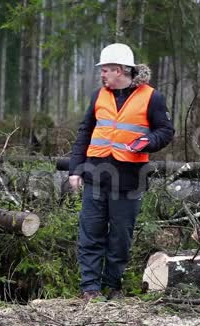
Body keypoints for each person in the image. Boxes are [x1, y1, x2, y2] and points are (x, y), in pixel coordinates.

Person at [68, 43, 174, 301]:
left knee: (120, 238)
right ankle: (90, 288)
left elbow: (166, 131)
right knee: (90, 234)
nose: (102, 75)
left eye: (105, 70)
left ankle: (113, 286)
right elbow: (84, 133)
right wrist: (75, 170)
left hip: (129, 180)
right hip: (95, 176)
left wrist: (147, 142)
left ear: (120, 70)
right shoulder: (98, 96)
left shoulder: (152, 97)